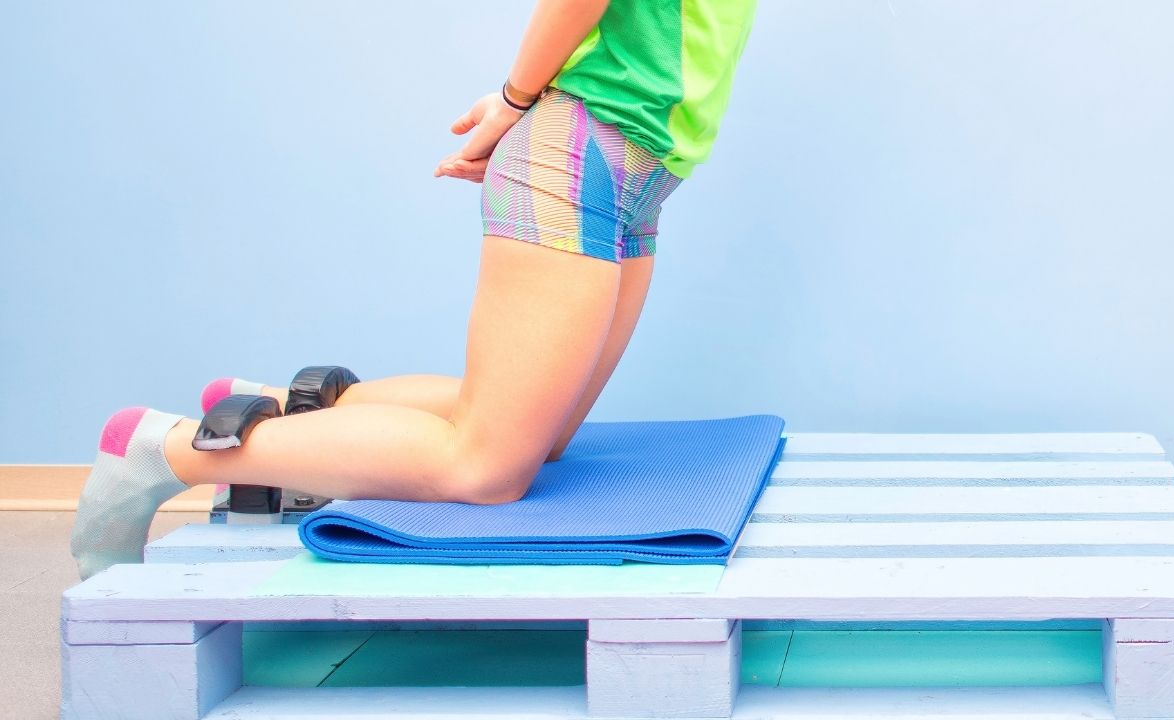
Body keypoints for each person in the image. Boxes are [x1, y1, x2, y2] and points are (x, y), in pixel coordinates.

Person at [71, 0, 758, 580]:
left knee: (539, 436)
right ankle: (160, 450)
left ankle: (276, 406)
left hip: (641, 165)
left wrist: (525, 98)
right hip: (588, 151)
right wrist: (519, 100)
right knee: (487, 471)